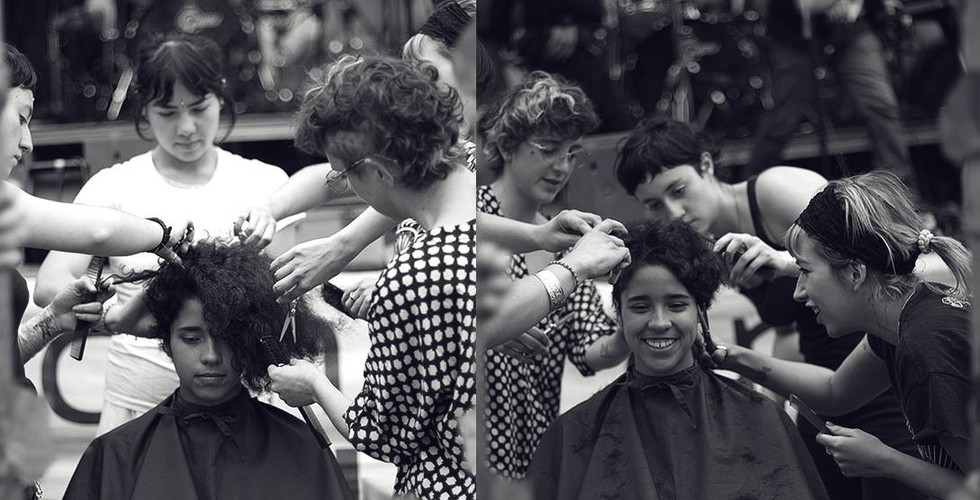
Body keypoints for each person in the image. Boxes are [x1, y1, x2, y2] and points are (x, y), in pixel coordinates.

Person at [615, 116, 920, 499]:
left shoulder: (775, 192)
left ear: (706, 165)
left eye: (679, 190)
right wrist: (769, 411)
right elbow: (788, 332)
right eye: (654, 205)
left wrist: (784, 260)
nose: (674, 212)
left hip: (883, 385)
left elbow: (889, 260)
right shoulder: (713, 248)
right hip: (825, 392)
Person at [34, 33, 288, 436]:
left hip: (245, 410)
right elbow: (50, 284)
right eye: (167, 112)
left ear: (221, 98)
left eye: (199, 108)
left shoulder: (265, 184)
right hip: (139, 409)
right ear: (144, 110)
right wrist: (103, 309)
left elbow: (289, 293)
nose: (186, 128)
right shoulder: (112, 187)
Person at [265, 54, 475, 500]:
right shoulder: (490, 205)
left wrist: (314, 384)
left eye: (343, 175)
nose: (347, 186)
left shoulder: (415, 277)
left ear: (378, 172)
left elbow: (383, 436)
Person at [527, 220, 829, 500]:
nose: (659, 322)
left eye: (676, 305)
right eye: (640, 307)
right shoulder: (574, 434)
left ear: (700, 311)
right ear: (620, 314)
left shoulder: (759, 419)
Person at [714, 172, 972, 499]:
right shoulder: (905, 319)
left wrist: (884, 460)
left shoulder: (925, 348)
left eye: (804, 271)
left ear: (854, 272)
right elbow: (835, 392)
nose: (798, 292)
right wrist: (730, 355)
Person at [64, 241, 354, 500]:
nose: (211, 356)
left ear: (249, 340)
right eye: (192, 339)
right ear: (166, 342)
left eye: (227, 338)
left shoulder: (299, 446)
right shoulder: (118, 454)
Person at [478, 71, 631, 479]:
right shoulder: (465, 221)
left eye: (572, 153)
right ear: (506, 145)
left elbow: (590, 349)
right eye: (548, 150)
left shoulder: (567, 244)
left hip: (533, 463)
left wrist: (635, 322)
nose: (562, 166)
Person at [746, 0, 915, 192]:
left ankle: (899, 192)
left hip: (853, 30)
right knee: (782, 120)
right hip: (793, 35)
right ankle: (749, 192)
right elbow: (805, 5)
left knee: (881, 107)